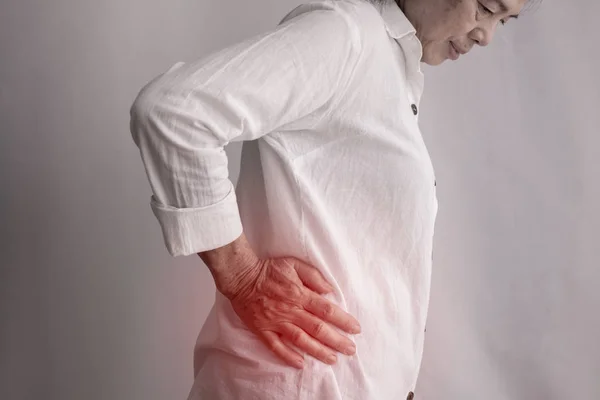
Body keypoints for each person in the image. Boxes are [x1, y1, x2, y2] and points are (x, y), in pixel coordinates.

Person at [129, 0, 526, 398]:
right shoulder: (347, 36)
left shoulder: (391, 66)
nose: (487, 35)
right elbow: (174, 114)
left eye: (504, 21)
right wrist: (242, 276)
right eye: (486, 7)